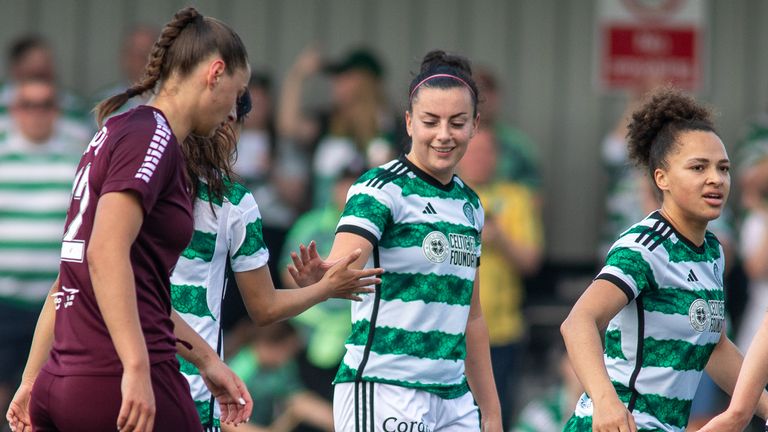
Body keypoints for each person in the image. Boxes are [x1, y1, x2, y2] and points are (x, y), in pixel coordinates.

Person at [5, 7, 256, 431]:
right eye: (238, 91)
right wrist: (137, 369)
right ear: (215, 73)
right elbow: (103, 252)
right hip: (116, 378)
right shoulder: (152, 137)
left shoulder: (118, 130)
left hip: (64, 377)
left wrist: (208, 361)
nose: (234, 110)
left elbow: (82, 276)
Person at [288, 50, 502, 431]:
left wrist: (491, 412)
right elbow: (342, 264)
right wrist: (321, 280)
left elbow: (473, 317)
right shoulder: (379, 190)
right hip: (385, 388)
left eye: (457, 122)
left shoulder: (470, 204)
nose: (443, 134)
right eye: (430, 121)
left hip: (453, 399)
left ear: (475, 125)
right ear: (408, 122)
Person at [560, 87, 768, 431]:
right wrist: (605, 401)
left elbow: (712, 347)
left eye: (723, 168)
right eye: (698, 167)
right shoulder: (644, 247)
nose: (715, 178)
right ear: (662, 178)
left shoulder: (712, 251)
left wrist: (764, 407)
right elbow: (578, 322)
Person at [173, 93, 382, 431]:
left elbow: (115, 282)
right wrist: (325, 288)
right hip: (185, 380)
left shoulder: (143, 180)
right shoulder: (236, 201)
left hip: (141, 367)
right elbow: (265, 306)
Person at [0, 78, 83, 428]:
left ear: (57, 111)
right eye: (28, 105)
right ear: (14, 110)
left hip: (55, 302)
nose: (37, 113)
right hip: (4, 300)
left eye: (45, 104)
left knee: (45, 395)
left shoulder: (75, 158)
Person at [457, 128, 543, 429]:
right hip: (450, 334)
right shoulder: (446, 196)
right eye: (474, 151)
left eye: (487, 152)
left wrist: (500, 239)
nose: (480, 158)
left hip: (501, 333)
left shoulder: (516, 197)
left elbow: (531, 262)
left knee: (495, 417)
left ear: (497, 157)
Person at [278, 46, 405, 208]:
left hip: (366, 218)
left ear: (366, 82)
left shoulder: (391, 126)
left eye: (345, 77)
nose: (335, 83)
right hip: (321, 224)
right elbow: (288, 127)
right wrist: (297, 76)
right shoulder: (328, 120)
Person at [223, 321, 334, 432]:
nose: (290, 357)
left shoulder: (282, 369)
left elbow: (300, 401)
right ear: (270, 344)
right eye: (289, 350)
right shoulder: (242, 366)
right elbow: (220, 416)